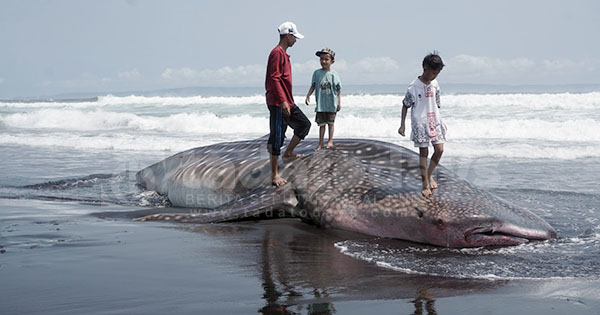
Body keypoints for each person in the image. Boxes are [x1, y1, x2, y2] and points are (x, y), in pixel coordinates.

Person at [265, 21, 311, 187]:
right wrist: (282, 101)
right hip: (278, 102)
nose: (295, 40)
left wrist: (287, 101)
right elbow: (274, 78)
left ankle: (289, 152)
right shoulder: (276, 53)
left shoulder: (284, 54)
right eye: (294, 37)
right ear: (287, 35)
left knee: (304, 125)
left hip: (287, 101)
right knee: (277, 136)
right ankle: (274, 174)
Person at [398, 52, 447, 197]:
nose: (435, 76)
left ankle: (429, 174)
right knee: (424, 153)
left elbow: (436, 104)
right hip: (420, 123)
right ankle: (425, 183)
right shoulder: (414, 86)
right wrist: (402, 125)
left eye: (437, 73)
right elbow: (405, 105)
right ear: (425, 69)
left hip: (434, 121)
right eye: (433, 73)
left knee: (439, 150)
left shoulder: (435, 84)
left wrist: (441, 121)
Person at [305, 48, 342, 151]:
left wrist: (339, 102)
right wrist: (308, 95)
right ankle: (320, 143)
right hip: (321, 105)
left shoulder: (334, 74)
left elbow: (338, 89)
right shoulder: (316, 73)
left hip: (331, 104)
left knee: (331, 124)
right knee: (322, 125)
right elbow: (313, 85)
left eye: (326, 59)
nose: (324, 61)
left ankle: (330, 141)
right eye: (321, 59)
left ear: (332, 61)